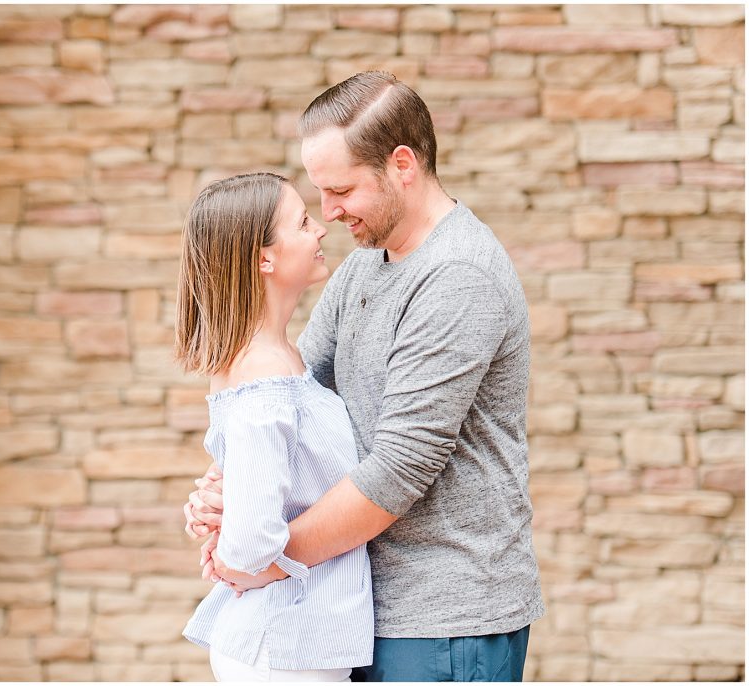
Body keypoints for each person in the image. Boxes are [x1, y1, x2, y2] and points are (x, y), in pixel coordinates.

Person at [185, 71, 544, 682]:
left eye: (342, 189)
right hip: (358, 612)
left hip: (443, 620)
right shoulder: (364, 268)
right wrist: (230, 497)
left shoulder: (458, 276)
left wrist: (263, 555)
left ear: (402, 164)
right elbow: (291, 403)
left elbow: (399, 468)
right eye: (319, 194)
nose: (328, 213)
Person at [175, 172, 374, 682]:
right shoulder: (263, 377)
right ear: (264, 258)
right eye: (303, 222)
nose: (321, 230)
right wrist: (243, 562)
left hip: (299, 644)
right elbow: (247, 545)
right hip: (284, 650)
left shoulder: (279, 359)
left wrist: (221, 507)